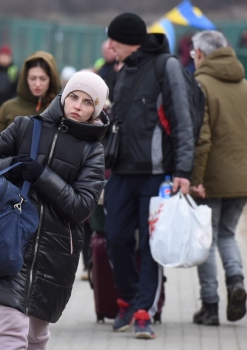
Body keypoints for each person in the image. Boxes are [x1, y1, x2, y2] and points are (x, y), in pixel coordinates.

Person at [0, 71, 109, 350]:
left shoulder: (92, 151)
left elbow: (82, 206)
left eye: (87, 102)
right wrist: (14, 165)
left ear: (96, 110)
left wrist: (41, 175)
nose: (77, 106)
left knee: (36, 335)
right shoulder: (26, 127)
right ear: (63, 95)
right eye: (73, 96)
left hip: (55, 251)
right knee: (12, 329)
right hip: (12, 241)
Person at [104, 13, 194, 339]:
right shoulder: (123, 69)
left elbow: (182, 121)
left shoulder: (166, 66)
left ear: (127, 39)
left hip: (156, 175)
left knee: (151, 248)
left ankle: (145, 310)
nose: (110, 44)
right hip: (121, 173)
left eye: (113, 39)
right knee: (115, 238)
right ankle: (128, 298)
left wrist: (183, 170)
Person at [189, 30, 247, 325]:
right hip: (242, 176)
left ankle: (210, 305)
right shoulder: (246, 85)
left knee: (206, 240)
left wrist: (196, 179)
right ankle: (236, 281)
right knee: (227, 234)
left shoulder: (200, 85)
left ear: (202, 54)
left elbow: (202, 139)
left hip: (212, 177)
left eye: (194, 54)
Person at [0, 51, 61, 138]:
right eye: (32, 78)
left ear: (51, 80)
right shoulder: (8, 108)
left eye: (43, 79)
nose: (37, 84)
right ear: (25, 79)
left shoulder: (59, 110)